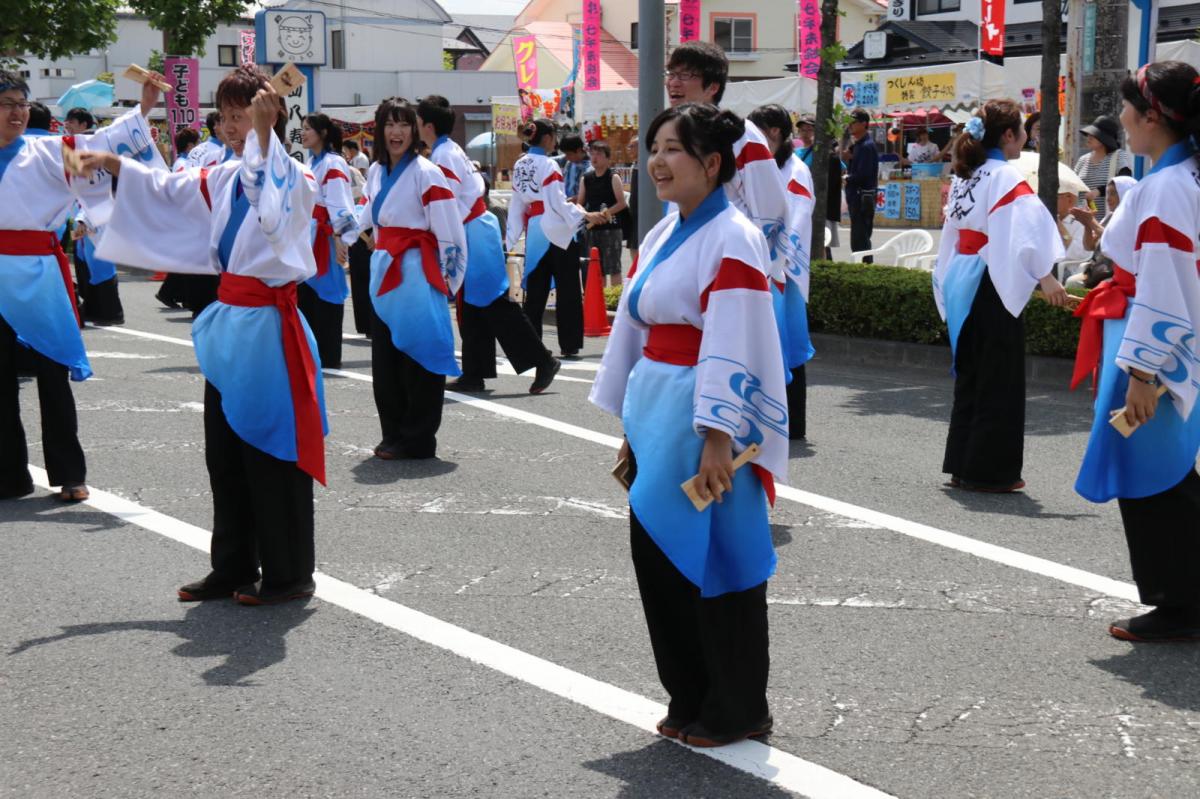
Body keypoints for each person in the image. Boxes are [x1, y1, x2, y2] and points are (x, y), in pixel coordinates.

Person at [78, 65, 326, 605]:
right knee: (225, 452)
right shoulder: (224, 175)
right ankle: (232, 564)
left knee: (271, 450)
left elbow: (272, 214)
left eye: (242, 116)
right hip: (230, 321)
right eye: (226, 116)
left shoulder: (295, 175)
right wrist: (112, 162)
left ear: (270, 113)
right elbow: (165, 189)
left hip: (269, 324)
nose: (231, 127)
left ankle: (288, 572)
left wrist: (265, 136)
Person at [589, 103, 787, 749]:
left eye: (673, 149)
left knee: (721, 561)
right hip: (659, 410)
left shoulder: (733, 235)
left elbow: (733, 338)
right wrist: (629, 422)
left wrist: (719, 437)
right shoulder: (662, 232)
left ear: (712, 162)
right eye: (654, 148)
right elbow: (633, 327)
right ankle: (688, 693)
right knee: (660, 558)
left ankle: (737, 706)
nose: (657, 161)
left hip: (704, 421)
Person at [1072, 61, 1200, 642]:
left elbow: (1162, 282)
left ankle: (1180, 605)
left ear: (1152, 117)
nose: (1120, 117)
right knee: (1168, 468)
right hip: (1174, 332)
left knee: (1154, 471)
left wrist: (1144, 372)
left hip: (1155, 340)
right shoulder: (1184, 174)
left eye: (1127, 106)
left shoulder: (1168, 186)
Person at [0, 69, 166, 503]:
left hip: (38, 273)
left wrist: (143, 108)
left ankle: (70, 473)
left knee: (52, 374)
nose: (17, 112)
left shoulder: (47, 153)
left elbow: (103, 151)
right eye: (7, 104)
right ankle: (9, 475)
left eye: (21, 103)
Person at [933, 99, 1069, 493]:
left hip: (961, 276)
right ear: (1009, 135)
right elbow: (1022, 232)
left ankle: (961, 464)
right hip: (990, 278)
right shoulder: (1005, 176)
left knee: (972, 372)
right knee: (999, 376)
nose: (1025, 135)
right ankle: (988, 472)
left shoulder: (966, 174)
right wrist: (1046, 277)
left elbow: (955, 233)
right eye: (1022, 129)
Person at [415, 95, 559, 395]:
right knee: (474, 305)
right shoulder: (447, 150)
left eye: (416, 121)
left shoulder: (442, 155)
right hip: (474, 227)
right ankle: (474, 372)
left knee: (493, 303)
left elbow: (446, 204)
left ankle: (542, 359)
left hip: (472, 230)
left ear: (427, 125)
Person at [357, 97, 467, 460]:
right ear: (379, 129)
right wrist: (347, 233)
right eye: (389, 124)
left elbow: (449, 228)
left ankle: (418, 437)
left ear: (415, 130)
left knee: (418, 354)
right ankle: (392, 433)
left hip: (417, 271)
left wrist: (449, 279)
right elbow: (366, 215)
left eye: (404, 124)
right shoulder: (376, 172)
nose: (397, 132)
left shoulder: (427, 172)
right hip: (383, 267)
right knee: (385, 358)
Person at [664, 41, 787, 274]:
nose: (674, 82)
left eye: (686, 75)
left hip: (729, 264)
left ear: (713, 86)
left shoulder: (741, 134)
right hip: (683, 260)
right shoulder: (674, 132)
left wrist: (756, 262)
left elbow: (772, 206)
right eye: (671, 73)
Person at [748, 103, 815, 440]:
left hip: (782, 270)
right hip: (760, 264)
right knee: (766, 345)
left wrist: (775, 258)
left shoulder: (796, 170)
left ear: (773, 132)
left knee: (787, 345)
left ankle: (792, 424)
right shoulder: (764, 165)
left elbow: (797, 221)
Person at [506, 118, 587, 357]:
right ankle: (569, 344)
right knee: (568, 289)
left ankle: (531, 344)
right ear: (548, 137)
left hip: (534, 229)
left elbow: (517, 205)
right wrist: (582, 215)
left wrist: (510, 237)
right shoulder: (550, 165)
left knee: (536, 291)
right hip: (557, 228)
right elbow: (557, 202)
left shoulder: (520, 164)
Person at [299, 113, 356, 369]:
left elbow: (340, 202)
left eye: (308, 128)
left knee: (328, 293)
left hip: (326, 237)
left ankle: (329, 355)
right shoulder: (312, 162)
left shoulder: (333, 163)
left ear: (322, 133)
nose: (303, 133)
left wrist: (340, 237)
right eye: (302, 128)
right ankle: (313, 353)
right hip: (309, 235)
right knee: (308, 294)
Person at [1065, 176, 1137, 289]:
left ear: (1125, 194)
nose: (1108, 198)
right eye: (1108, 193)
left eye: (1113, 193)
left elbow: (1114, 240)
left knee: (1074, 283)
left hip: (1118, 274)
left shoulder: (1131, 220)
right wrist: (1087, 225)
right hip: (1099, 270)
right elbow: (1089, 246)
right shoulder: (1109, 217)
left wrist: (1091, 221)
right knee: (1071, 282)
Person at [577, 140, 628, 289]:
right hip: (592, 228)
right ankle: (600, 299)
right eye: (592, 154)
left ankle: (615, 299)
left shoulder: (613, 177)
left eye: (598, 154)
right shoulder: (586, 178)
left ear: (607, 158)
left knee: (614, 268)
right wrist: (588, 215)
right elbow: (579, 204)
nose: (594, 157)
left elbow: (621, 203)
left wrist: (604, 214)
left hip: (611, 228)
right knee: (597, 268)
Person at [1074, 115, 1132, 217]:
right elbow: (1071, 186)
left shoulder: (1119, 156)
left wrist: (1099, 191)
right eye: (1088, 134)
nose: (1089, 137)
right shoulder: (1082, 160)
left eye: (1093, 135)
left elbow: (1124, 183)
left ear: (1105, 138)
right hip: (1082, 222)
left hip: (1109, 221)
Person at [842, 108, 878, 261]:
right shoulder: (858, 145)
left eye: (854, 122)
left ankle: (864, 268)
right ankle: (863, 266)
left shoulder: (866, 146)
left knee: (860, 238)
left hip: (862, 197)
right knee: (859, 237)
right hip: (857, 197)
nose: (850, 125)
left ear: (864, 124)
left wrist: (846, 178)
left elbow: (863, 175)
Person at [558, 134, 589, 200]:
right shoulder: (569, 163)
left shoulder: (589, 168)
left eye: (569, 154)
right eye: (565, 154)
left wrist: (572, 199)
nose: (566, 157)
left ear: (578, 150)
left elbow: (589, 193)